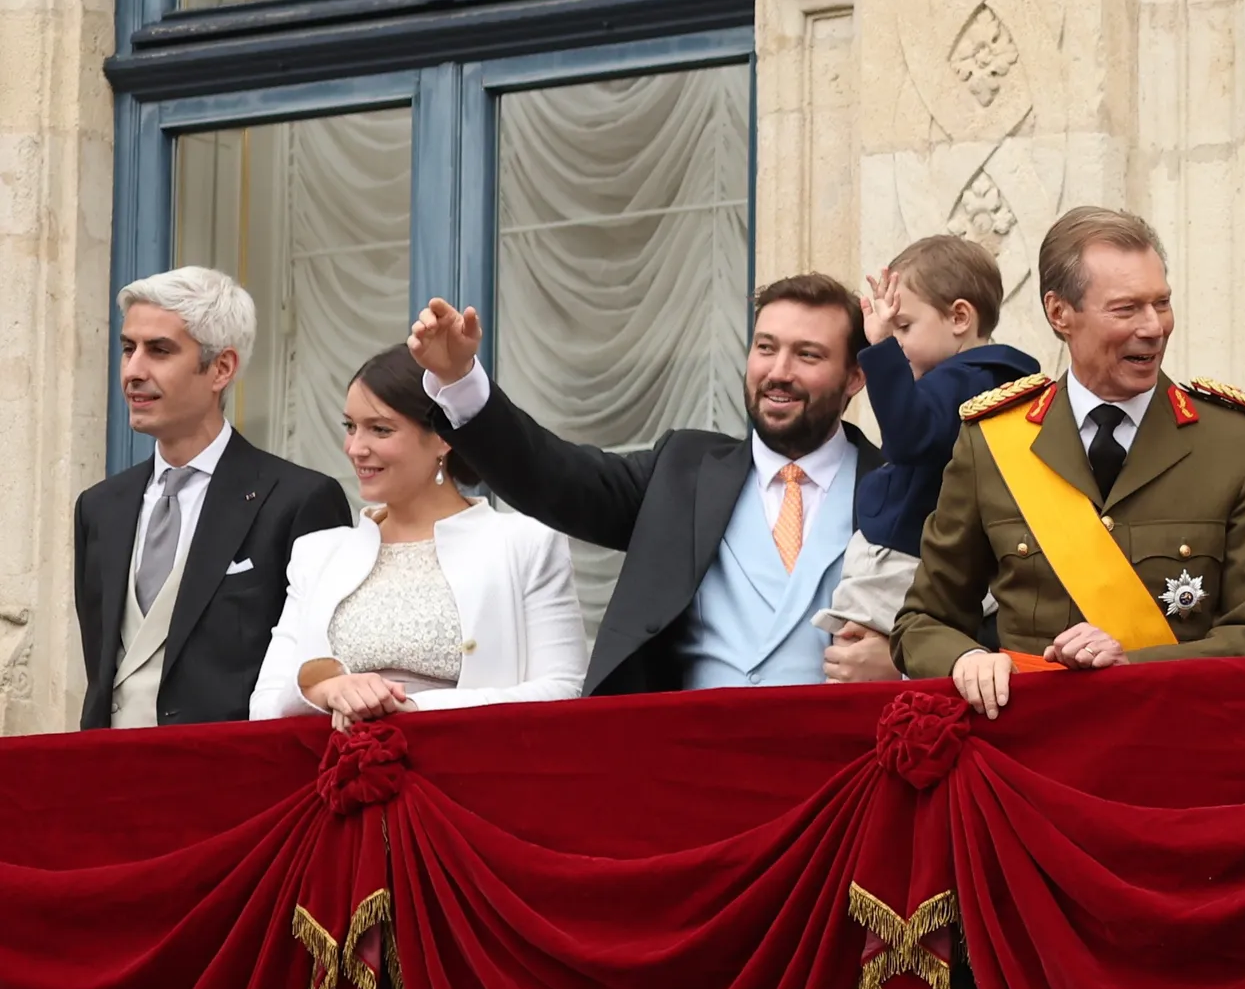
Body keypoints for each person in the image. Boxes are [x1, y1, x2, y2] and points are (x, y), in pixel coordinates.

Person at [897, 206, 1245, 716]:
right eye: (1126, 309)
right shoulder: (993, 443)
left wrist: (1133, 668)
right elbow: (923, 621)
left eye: (1162, 303)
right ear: (1060, 313)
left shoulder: (1237, 444)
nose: (1154, 328)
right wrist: (967, 659)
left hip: (1181, 746)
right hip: (1033, 751)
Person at [408, 274, 880, 693]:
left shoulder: (898, 487)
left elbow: (944, 629)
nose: (779, 372)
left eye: (808, 355)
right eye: (766, 347)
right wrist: (460, 381)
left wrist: (900, 666)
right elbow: (553, 477)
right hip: (689, 765)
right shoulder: (683, 468)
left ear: (855, 376)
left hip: (844, 770)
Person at [72, 267, 346, 729]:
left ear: (221, 368)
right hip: (109, 780)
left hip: (234, 786)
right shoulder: (99, 507)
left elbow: (317, 671)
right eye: (127, 348)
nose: (134, 370)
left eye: (159, 350)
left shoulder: (300, 501)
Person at [251, 347, 584, 721]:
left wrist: (406, 708)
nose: (355, 448)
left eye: (380, 429)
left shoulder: (526, 543)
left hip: (473, 770)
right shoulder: (317, 553)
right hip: (335, 773)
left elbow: (563, 690)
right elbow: (264, 705)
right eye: (350, 426)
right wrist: (327, 690)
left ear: (443, 437)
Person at [823, 233, 1040, 645]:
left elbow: (908, 437)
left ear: (960, 318)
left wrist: (883, 351)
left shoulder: (965, 378)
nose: (896, 340)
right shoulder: (999, 381)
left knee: (855, 657)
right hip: (945, 558)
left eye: (904, 327)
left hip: (905, 558)